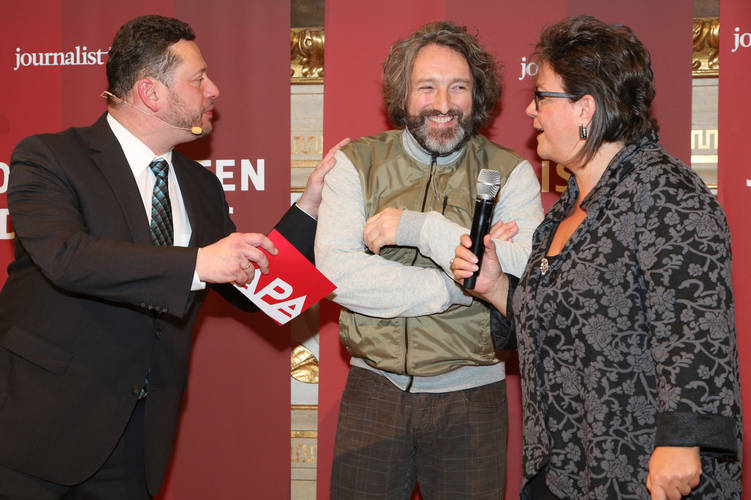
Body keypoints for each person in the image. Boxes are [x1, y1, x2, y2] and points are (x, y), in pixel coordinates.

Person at [0, 14, 345, 500]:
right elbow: (67, 257)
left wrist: (309, 205)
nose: (214, 90)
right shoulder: (50, 158)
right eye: (198, 78)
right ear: (151, 93)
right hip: (39, 430)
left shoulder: (200, 186)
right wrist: (198, 263)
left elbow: (254, 290)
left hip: (138, 439)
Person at [451, 15, 742, 500]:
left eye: (542, 96)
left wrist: (682, 441)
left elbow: (697, 326)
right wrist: (496, 287)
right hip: (561, 466)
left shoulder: (665, 191)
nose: (530, 110)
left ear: (585, 108)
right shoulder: (563, 211)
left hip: (638, 471)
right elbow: (560, 328)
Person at [315, 21, 543, 499]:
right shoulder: (357, 162)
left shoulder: (510, 172)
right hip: (372, 391)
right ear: (403, 95)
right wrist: (460, 285)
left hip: (473, 397)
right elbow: (337, 274)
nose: (444, 103)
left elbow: (521, 273)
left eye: (458, 87)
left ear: (477, 95)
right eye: (427, 87)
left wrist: (416, 228)